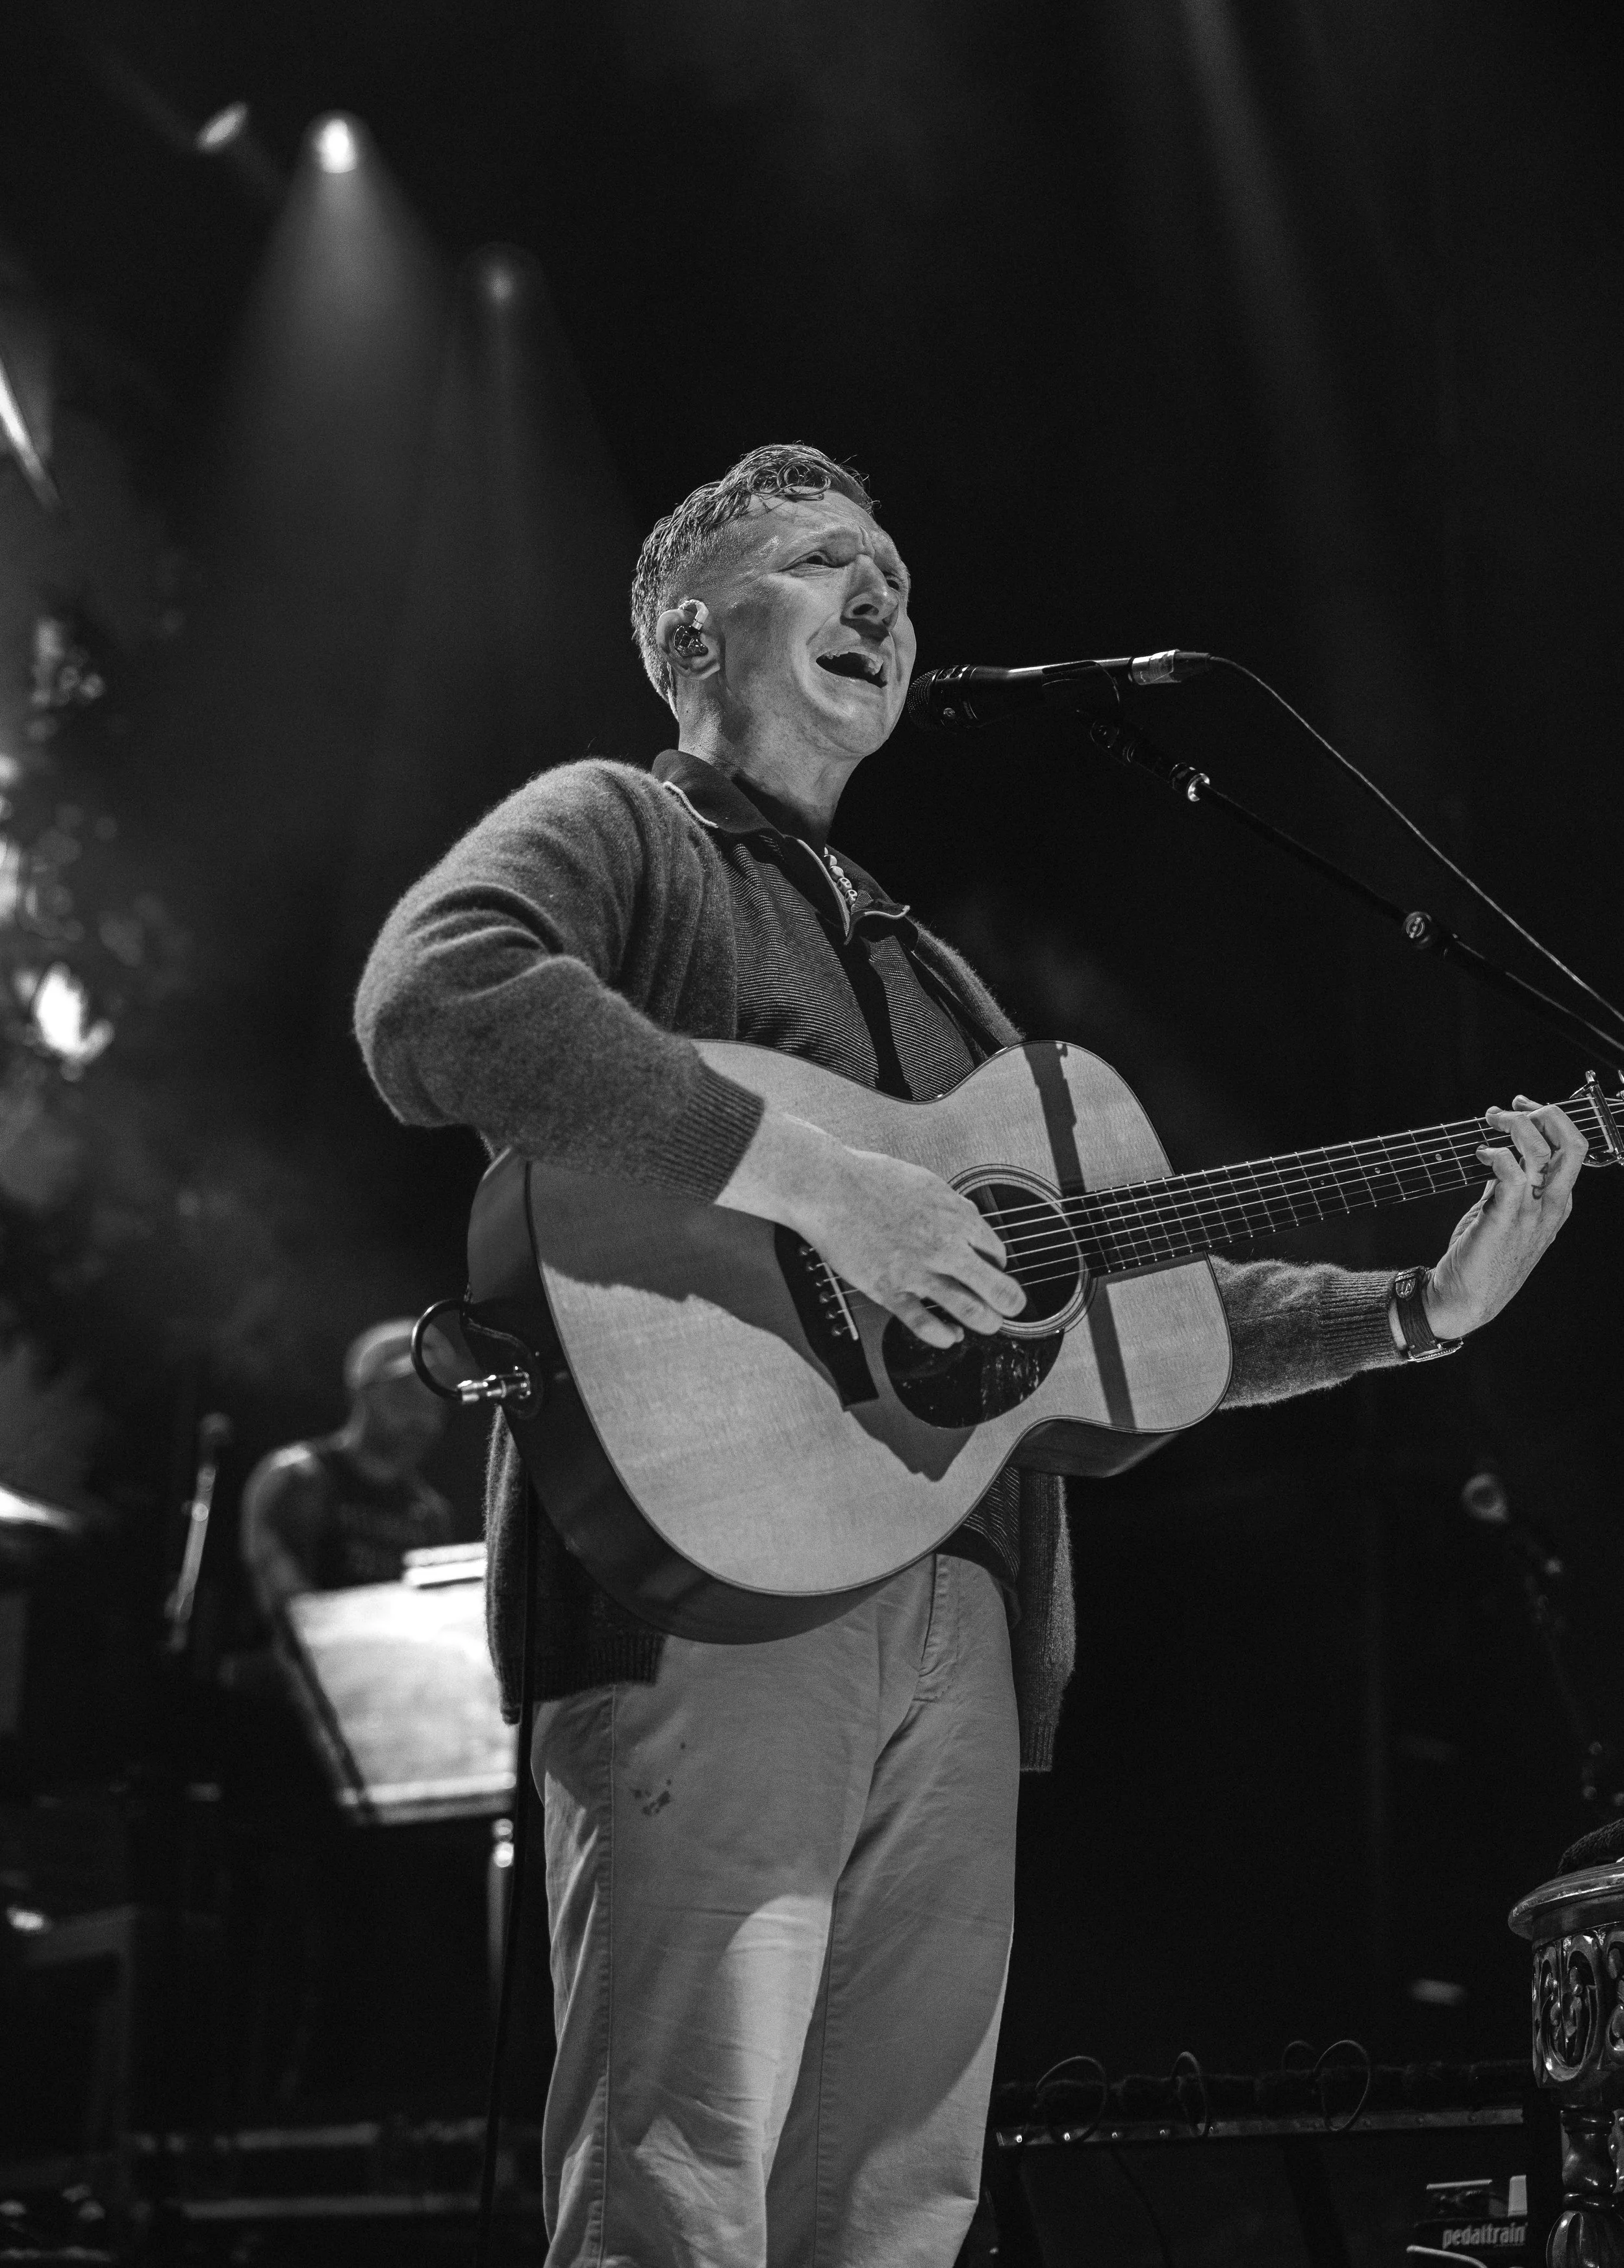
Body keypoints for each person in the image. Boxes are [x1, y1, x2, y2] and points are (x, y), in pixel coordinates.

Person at [353, 444, 1583, 2268]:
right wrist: (826, 1184)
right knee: (677, 2178)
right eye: (825, 562)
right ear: (691, 628)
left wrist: (1408, 1309)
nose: (883, 600)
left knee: (893, 2204)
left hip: (963, 1617)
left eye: (898, 575)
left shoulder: (941, 983)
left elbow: (1128, 1308)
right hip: (707, 1589)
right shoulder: (622, 822)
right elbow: (434, 998)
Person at [240, 1318, 452, 1621]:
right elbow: (287, 1614)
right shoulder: (300, 1478)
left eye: (436, 1399)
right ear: (364, 1391)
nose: (423, 1416)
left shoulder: (432, 1514)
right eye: (408, 1394)